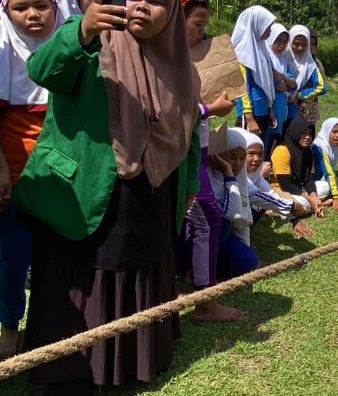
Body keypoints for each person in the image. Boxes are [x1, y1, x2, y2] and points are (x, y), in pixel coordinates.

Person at [12, 1, 200, 393]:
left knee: (140, 265)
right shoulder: (92, 41)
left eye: (157, 2)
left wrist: (191, 186)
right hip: (87, 192)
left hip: (152, 189)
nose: (143, 7)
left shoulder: (181, 63)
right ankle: (77, 368)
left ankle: (134, 360)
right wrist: (81, 32)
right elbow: (42, 69)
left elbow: (189, 131)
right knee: (91, 269)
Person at [0, 0, 77, 360]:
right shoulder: (1, 49)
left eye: (42, 5)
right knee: (12, 261)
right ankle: (10, 328)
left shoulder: (74, 40)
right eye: (20, 7)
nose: (32, 15)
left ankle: (53, 329)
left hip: (65, 179)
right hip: (13, 181)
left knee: (60, 258)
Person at [182, 0, 241, 322]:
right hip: (181, 155)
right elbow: (167, 115)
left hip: (199, 152)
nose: (203, 33)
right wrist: (209, 110)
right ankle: (204, 299)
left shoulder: (188, 60)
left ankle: (196, 286)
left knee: (202, 222)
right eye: (198, 24)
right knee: (206, 220)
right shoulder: (168, 61)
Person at [242, 129, 315, 238]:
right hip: (223, 224)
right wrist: (291, 206)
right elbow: (254, 194)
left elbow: (271, 194)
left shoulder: (255, 175)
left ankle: (245, 233)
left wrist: (294, 220)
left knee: (264, 201)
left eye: (260, 154)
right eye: (251, 153)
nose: (257, 159)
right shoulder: (235, 173)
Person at [207, 127, 259, 280]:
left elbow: (242, 221)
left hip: (220, 243)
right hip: (198, 245)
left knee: (249, 261)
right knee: (223, 221)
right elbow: (233, 214)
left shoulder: (240, 180)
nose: (238, 164)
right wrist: (227, 171)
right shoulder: (208, 179)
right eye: (232, 157)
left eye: (242, 158)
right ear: (219, 155)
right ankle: (200, 272)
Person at [231, 5, 277, 138]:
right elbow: (241, 89)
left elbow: (266, 84)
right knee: (248, 153)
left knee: (260, 151)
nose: (270, 31)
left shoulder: (261, 49)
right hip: (251, 113)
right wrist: (249, 118)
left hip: (263, 111)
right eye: (267, 27)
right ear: (257, 25)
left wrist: (270, 109)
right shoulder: (242, 55)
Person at [270, 117, 325, 217]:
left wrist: (314, 196)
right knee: (296, 206)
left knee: (330, 186)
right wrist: (309, 199)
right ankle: (316, 205)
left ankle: (313, 205)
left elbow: (308, 178)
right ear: (295, 132)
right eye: (304, 133)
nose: (308, 137)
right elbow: (285, 184)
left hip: (298, 189)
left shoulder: (308, 152)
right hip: (280, 191)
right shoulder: (282, 150)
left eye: (310, 134)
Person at [264, 22, 297, 158]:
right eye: (278, 41)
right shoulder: (266, 56)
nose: (281, 45)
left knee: (276, 138)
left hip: (281, 106)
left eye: (284, 42)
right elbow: (269, 79)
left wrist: (281, 76)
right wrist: (280, 82)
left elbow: (293, 83)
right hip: (270, 105)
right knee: (267, 137)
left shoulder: (283, 59)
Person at [288, 24, 325, 126]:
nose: (300, 48)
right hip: (284, 106)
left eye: (305, 45)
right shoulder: (283, 60)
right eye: (296, 44)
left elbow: (322, 87)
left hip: (305, 107)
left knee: (303, 134)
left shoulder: (312, 65)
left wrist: (299, 95)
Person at [312, 117, 338, 211]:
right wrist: (336, 197)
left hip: (317, 182)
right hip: (309, 185)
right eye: (334, 132)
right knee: (335, 187)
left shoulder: (333, 148)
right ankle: (315, 204)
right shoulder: (320, 147)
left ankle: (323, 201)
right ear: (326, 131)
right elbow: (329, 173)